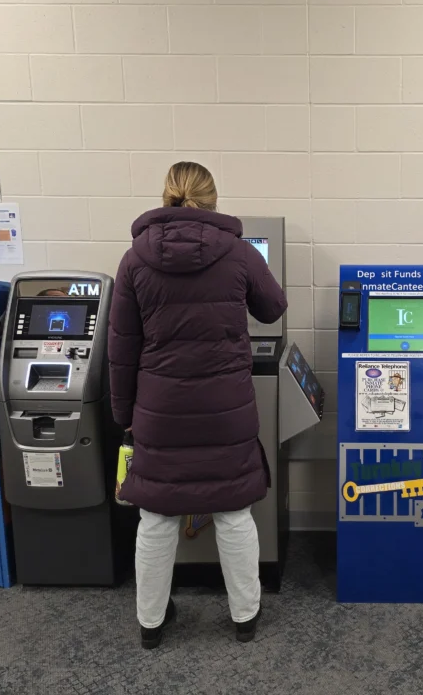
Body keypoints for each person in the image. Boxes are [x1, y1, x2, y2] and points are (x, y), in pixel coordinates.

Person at [108, 161, 287, 649]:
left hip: (160, 411)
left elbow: (120, 348)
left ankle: (150, 624)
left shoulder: (134, 260)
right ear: (212, 200)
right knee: (233, 512)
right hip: (224, 407)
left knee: (157, 516)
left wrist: (124, 416)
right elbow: (274, 307)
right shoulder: (238, 252)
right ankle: (245, 617)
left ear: (165, 195)